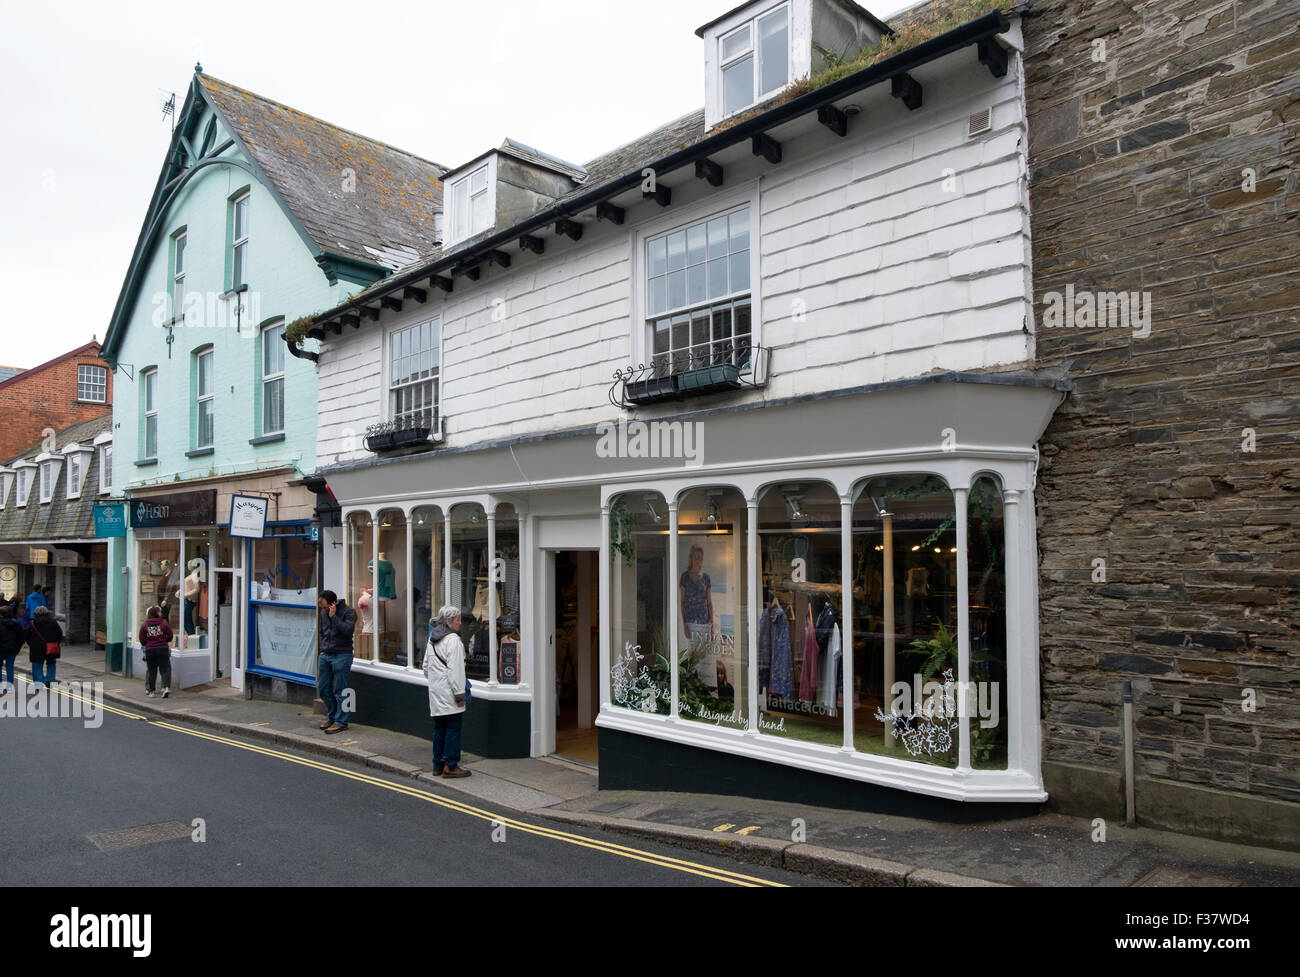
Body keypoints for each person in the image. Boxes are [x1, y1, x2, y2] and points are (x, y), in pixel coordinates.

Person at [424, 605, 470, 777]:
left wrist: (436, 682)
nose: (460, 622)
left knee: (439, 729)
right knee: (452, 729)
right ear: (450, 621)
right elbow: (456, 672)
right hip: (450, 693)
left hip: (435, 692)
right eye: (458, 619)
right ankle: (451, 766)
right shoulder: (454, 641)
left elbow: (426, 667)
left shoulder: (432, 638)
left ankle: (437, 765)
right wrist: (460, 695)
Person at [317, 589, 355, 733]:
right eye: (323, 608)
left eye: (326, 608)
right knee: (323, 689)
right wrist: (322, 648)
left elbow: (348, 631)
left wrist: (334, 618)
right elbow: (322, 632)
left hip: (342, 655)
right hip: (326, 655)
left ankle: (341, 721)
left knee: (342, 691)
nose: (324, 610)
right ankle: (332, 717)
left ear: (334, 604)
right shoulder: (323, 613)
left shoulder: (349, 612)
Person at [138, 605, 174, 698]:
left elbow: (142, 639)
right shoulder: (164, 623)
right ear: (157, 613)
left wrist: (149, 642)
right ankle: (165, 688)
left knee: (152, 671)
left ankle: (152, 691)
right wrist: (164, 640)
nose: (161, 613)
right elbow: (170, 636)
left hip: (150, 650)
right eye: (160, 611)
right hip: (162, 648)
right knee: (165, 669)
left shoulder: (145, 625)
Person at [25, 605, 62, 690]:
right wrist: (56, 643)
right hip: (51, 647)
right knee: (51, 664)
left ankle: (39, 683)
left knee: (37, 665)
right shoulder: (53, 622)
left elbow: (27, 636)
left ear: (35, 614)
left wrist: (31, 644)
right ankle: (50, 680)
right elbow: (59, 634)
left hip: (36, 648)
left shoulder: (32, 623)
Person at [0, 605, 22, 692]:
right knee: (10, 668)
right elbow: (21, 637)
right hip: (12, 650)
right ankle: (9, 686)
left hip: (0, 650)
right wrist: (17, 649)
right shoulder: (17, 624)